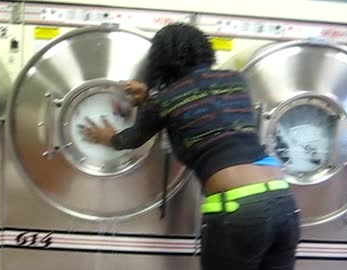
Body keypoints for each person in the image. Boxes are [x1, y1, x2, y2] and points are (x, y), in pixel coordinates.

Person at [81, 23, 300, 270]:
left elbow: (130, 139)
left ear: (159, 61)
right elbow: (202, 100)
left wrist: (107, 136)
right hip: (283, 200)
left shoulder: (164, 101)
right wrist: (152, 96)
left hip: (238, 209)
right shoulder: (235, 80)